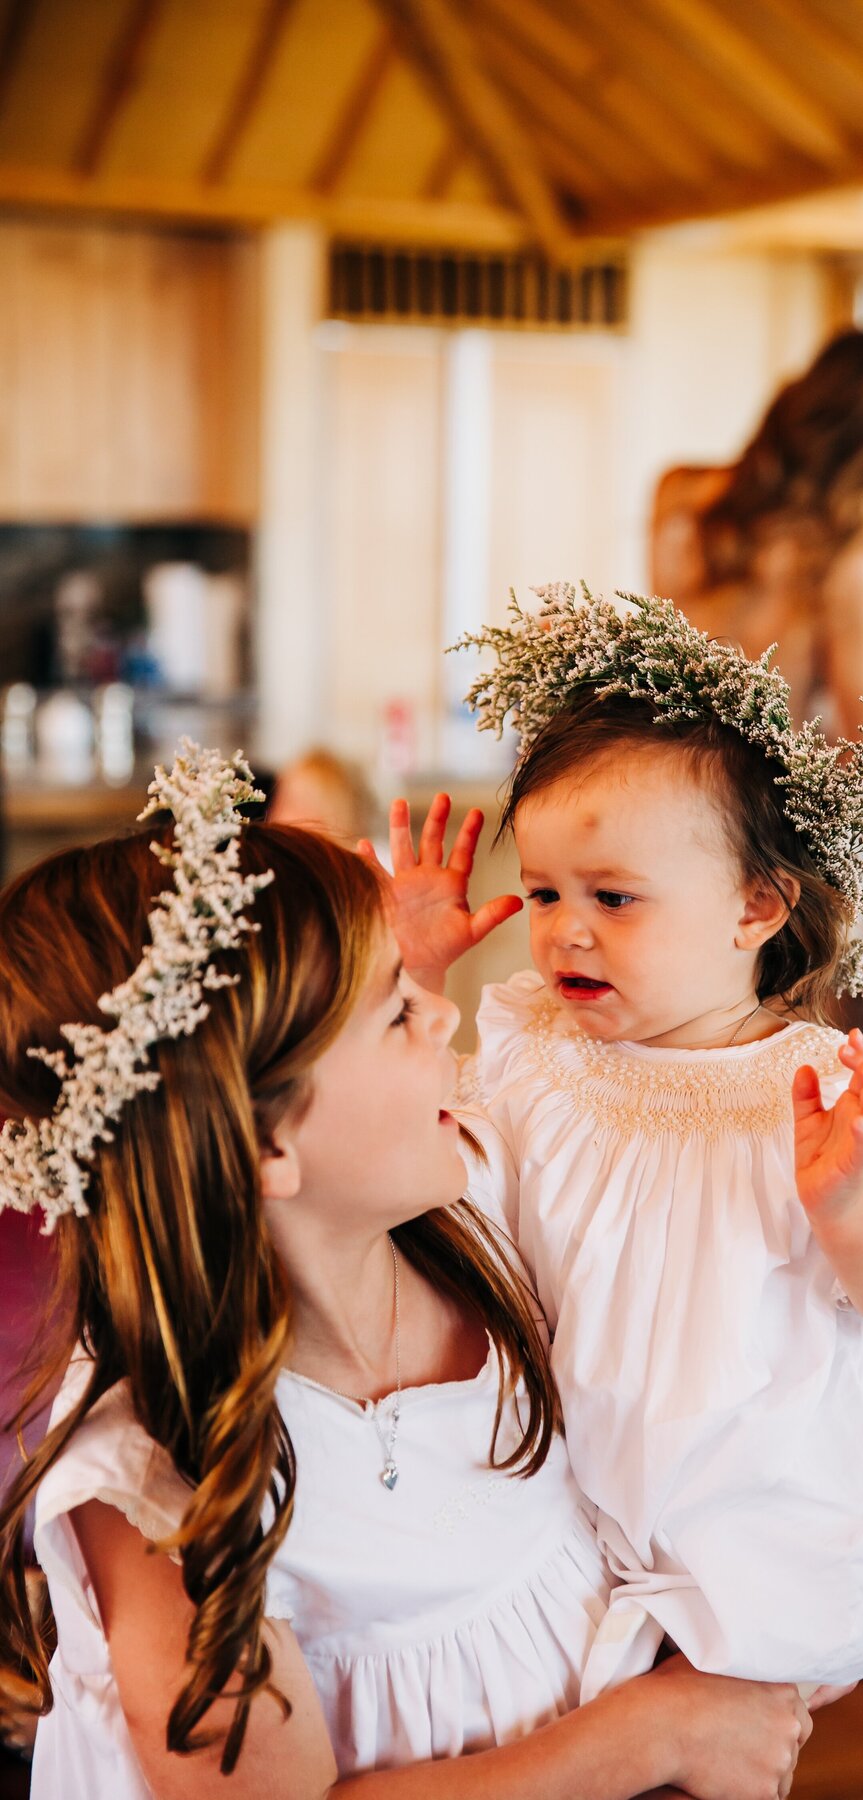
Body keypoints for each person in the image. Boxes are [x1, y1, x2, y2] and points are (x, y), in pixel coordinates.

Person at [0, 745, 811, 1798]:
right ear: (264, 1147)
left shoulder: (483, 1219)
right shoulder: (166, 1478)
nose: (447, 1015)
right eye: (398, 1012)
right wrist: (655, 1737)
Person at [382, 589, 863, 1705]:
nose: (566, 928)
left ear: (755, 908)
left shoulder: (829, 1099)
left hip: (752, 1550)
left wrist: (850, 1211)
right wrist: (414, 982)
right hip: (554, 1514)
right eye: (541, 891)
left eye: (614, 898)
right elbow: (428, 1156)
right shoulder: (540, 1045)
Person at [648, 330, 863, 718]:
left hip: (664, 753)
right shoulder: (851, 571)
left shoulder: (678, 492)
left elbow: (664, 643)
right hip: (761, 778)